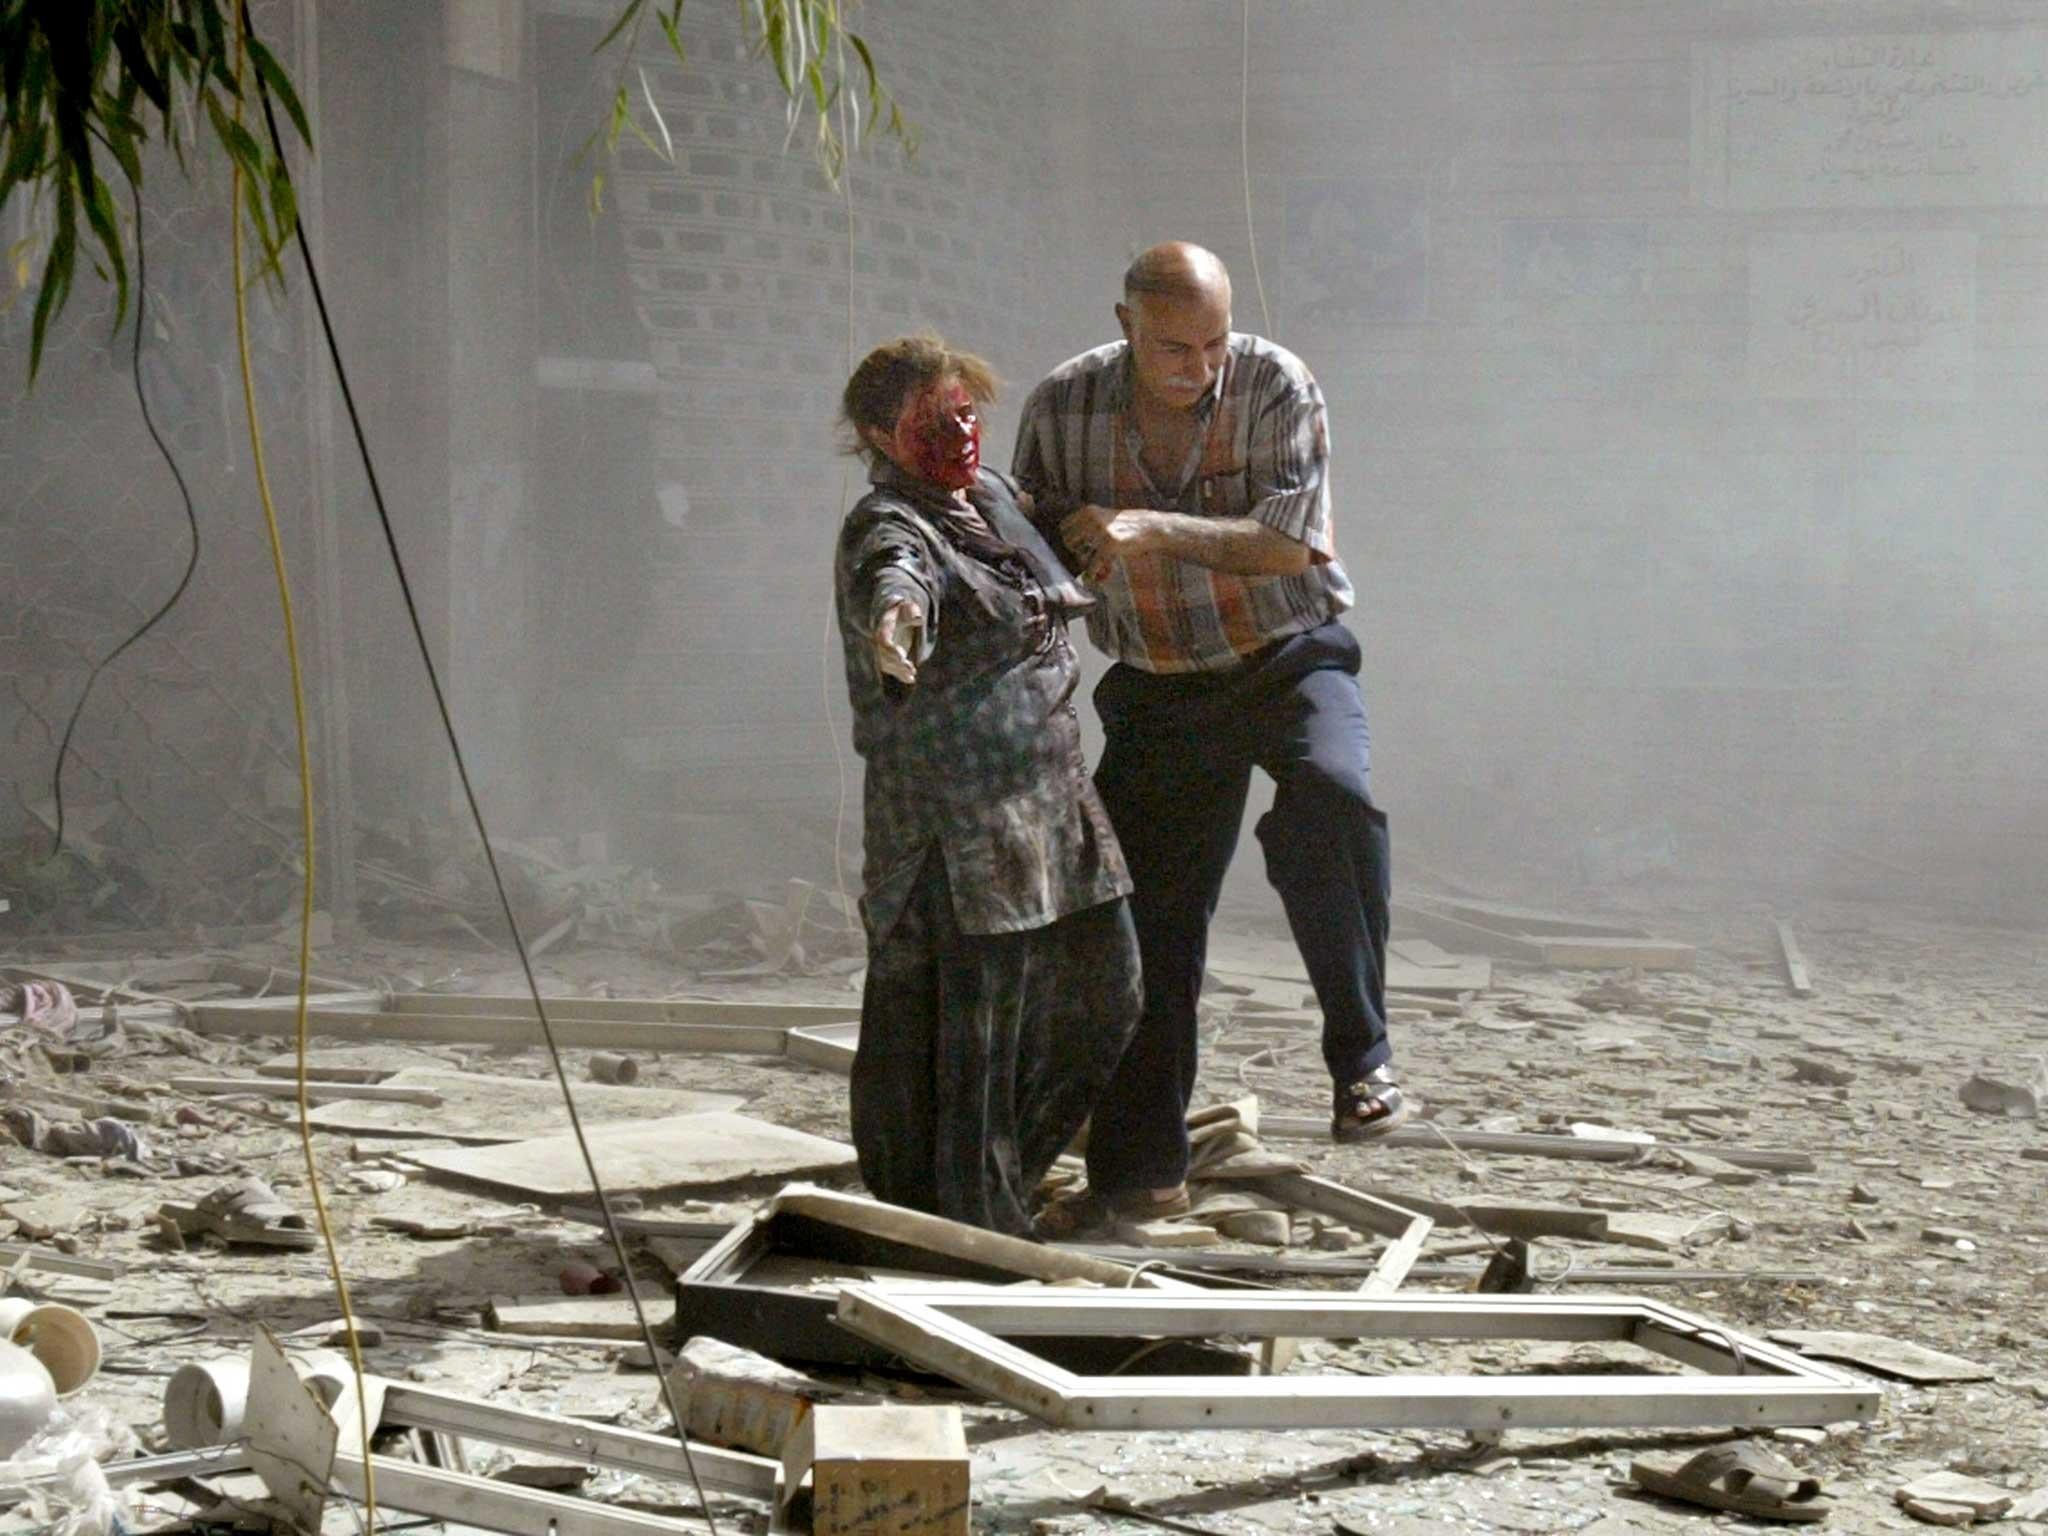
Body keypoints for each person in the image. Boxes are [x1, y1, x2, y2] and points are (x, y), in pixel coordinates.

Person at [1013, 241, 1412, 1234]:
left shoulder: (1276, 383)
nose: (1198, 368)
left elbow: (1289, 542)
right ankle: (1138, 1176)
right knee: (1145, 932)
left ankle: (1360, 1061)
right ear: (1123, 328)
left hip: (1287, 655)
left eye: (1211, 343)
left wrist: (1148, 527)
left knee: (1332, 797)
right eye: (1171, 349)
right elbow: (1026, 531)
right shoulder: (1062, 406)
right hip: (1154, 682)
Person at [832, 332, 1143, 1237]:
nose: (960, 433)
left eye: (967, 412)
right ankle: (968, 1225)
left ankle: (1003, 1184)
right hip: (960, 824)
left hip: (1053, 797)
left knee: (1108, 994)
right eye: (933, 422)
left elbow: (1052, 544)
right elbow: (897, 579)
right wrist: (896, 622)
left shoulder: (995, 497)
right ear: (882, 436)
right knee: (975, 1041)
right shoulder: (889, 524)